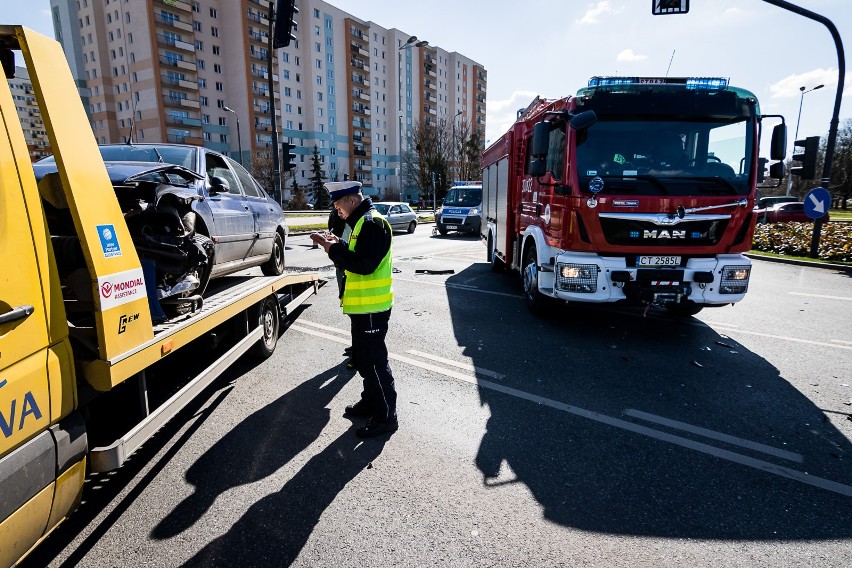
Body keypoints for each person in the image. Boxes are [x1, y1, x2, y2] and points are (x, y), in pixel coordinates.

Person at [310, 181, 398, 438]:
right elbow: (358, 255)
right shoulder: (361, 223)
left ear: (351, 200)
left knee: (375, 363)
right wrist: (337, 243)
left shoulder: (372, 223)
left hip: (372, 308)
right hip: (363, 307)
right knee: (363, 360)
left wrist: (332, 248)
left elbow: (365, 265)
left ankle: (386, 418)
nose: (337, 211)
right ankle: (370, 402)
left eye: (338, 205)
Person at [327, 208, 355, 366]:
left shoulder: (359, 221)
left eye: (340, 208)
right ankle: (356, 346)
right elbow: (332, 229)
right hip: (340, 266)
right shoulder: (336, 215)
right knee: (350, 308)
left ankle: (358, 353)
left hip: (350, 267)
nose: (338, 211)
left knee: (357, 312)